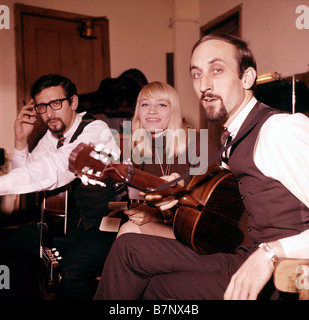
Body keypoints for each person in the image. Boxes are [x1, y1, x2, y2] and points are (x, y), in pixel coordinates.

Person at [93, 34, 309, 300]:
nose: (204, 85)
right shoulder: (231, 137)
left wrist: (272, 253)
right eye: (196, 74)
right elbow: (233, 208)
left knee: (155, 288)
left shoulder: (280, 130)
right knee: (129, 248)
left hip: (280, 275)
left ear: (247, 78)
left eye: (217, 70)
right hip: (238, 253)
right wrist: (184, 193)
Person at [0, 74, 121, 299]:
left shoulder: (97, 130)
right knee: (7, 248)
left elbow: (56, 168)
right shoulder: (50, 137)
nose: (49, 113)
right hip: (64, 227)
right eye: (42, 107)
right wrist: (20, 141)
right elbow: (29, 179)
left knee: (70, 273)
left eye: (56, 103)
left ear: (73, 102)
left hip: (103, 227)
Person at [114, 81, 218, 239]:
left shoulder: (198, 143)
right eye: (145, 104)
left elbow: (210, 210)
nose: (152, 111)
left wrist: (158, 216)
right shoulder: (139, 149)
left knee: (128, 233)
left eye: (162, 105)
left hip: (198, 232)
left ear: (173, 111)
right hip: (166, 228)